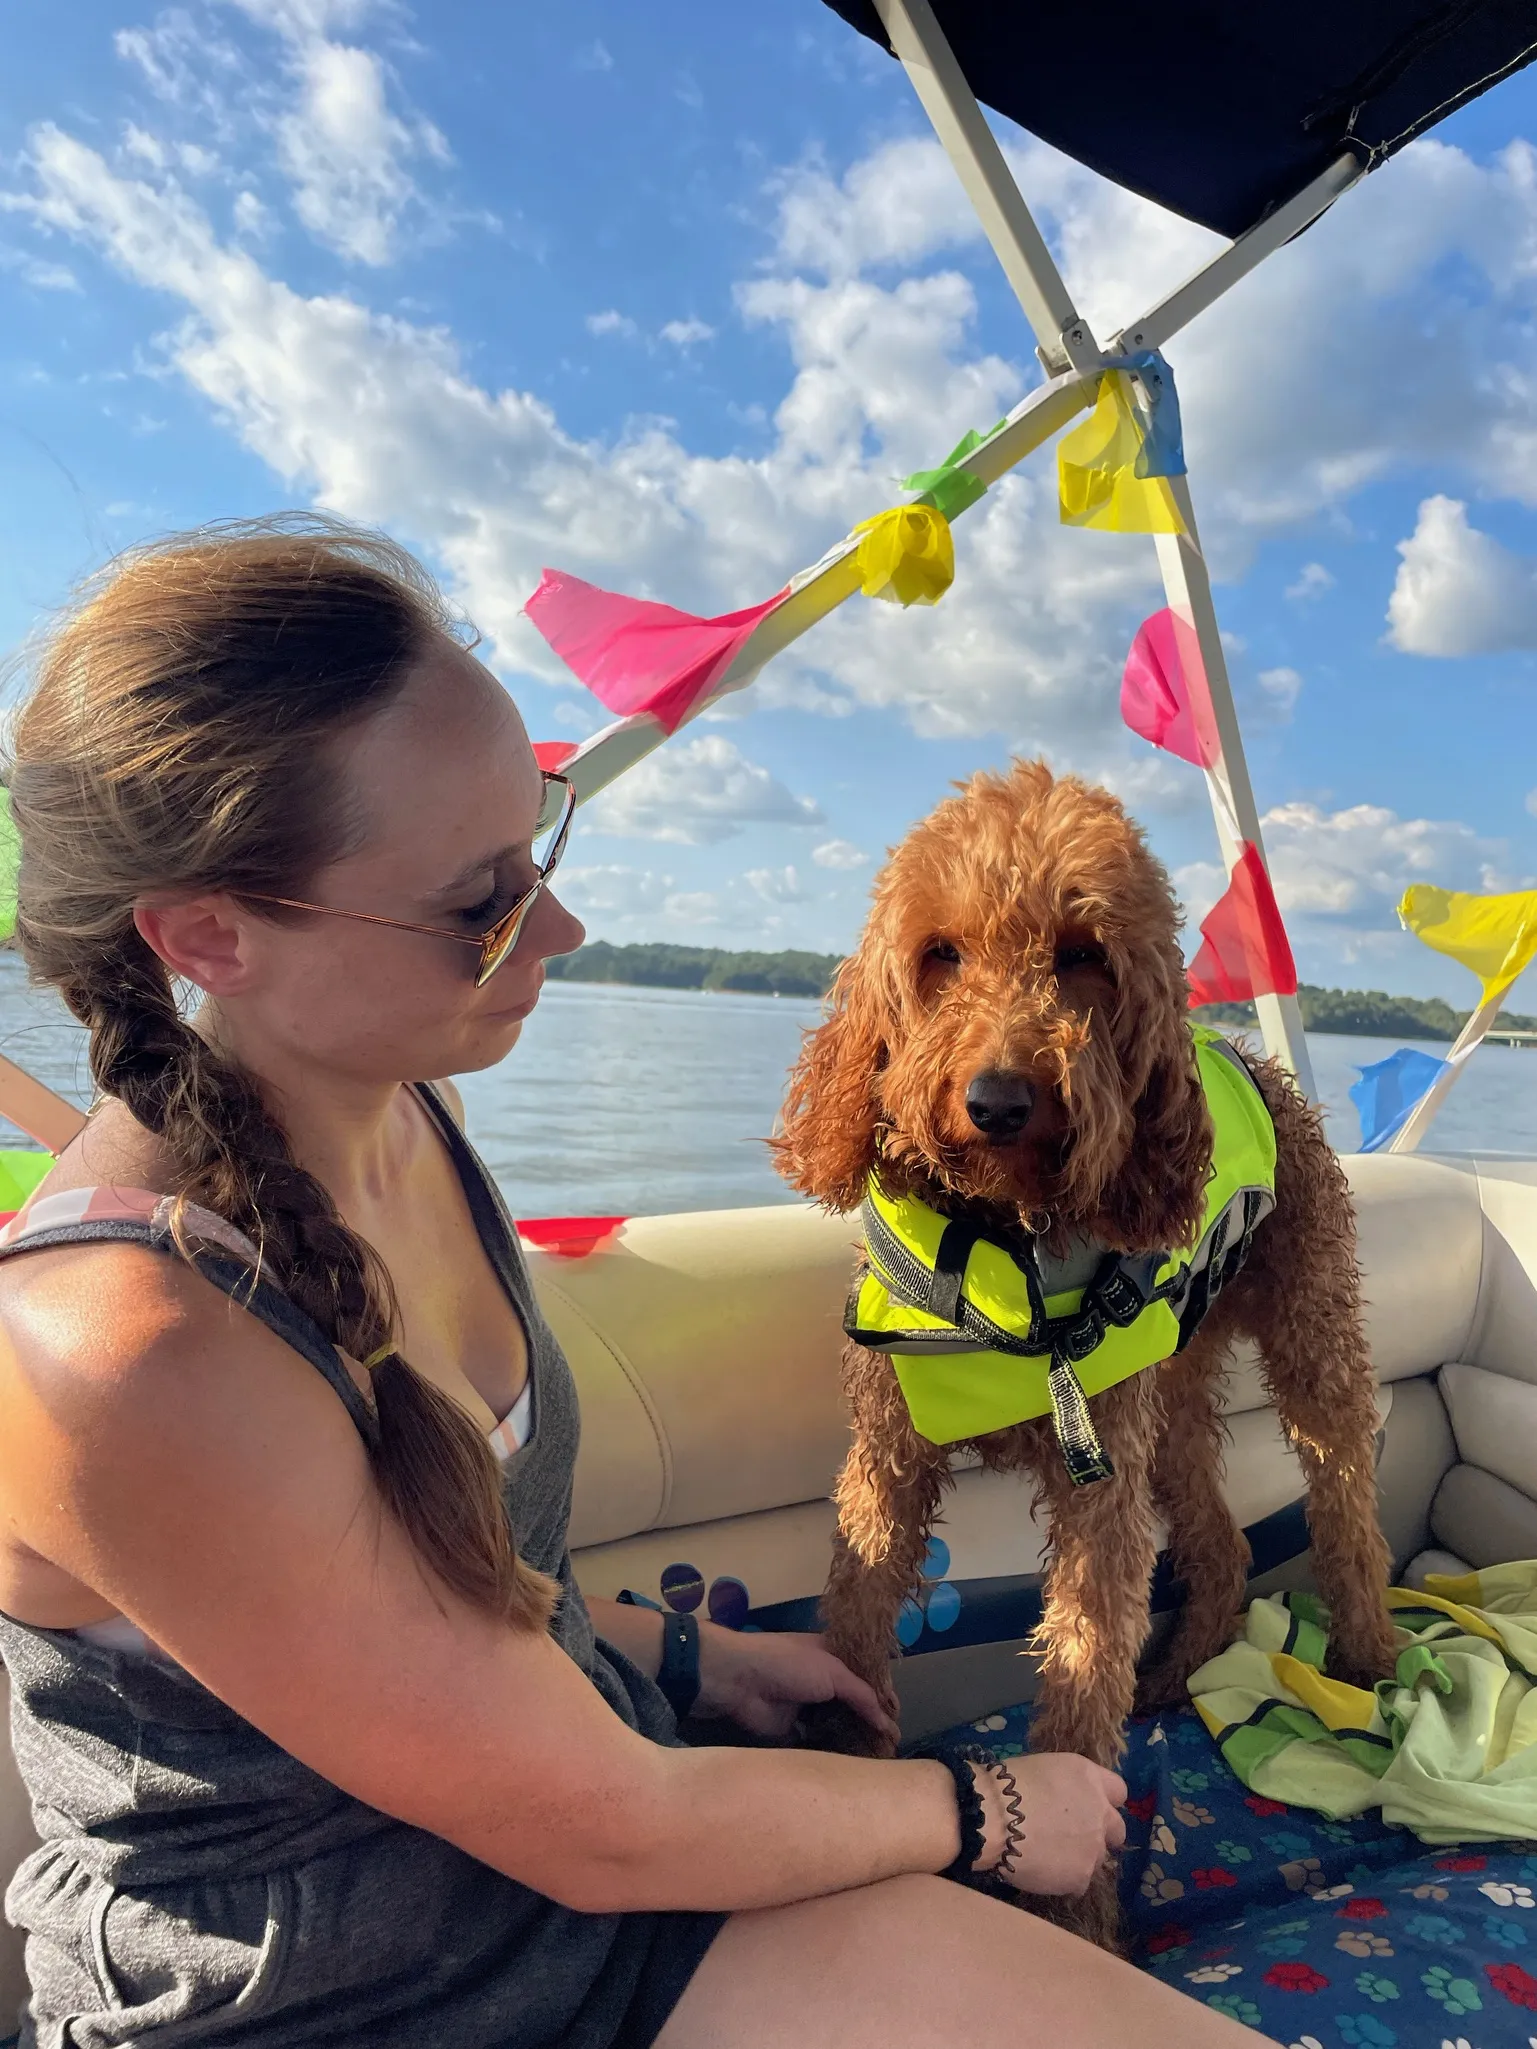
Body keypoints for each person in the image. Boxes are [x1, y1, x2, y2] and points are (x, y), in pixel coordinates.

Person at [0, 517, 1267, 2049]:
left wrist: (685, 1650)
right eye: (477, 903)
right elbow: (607, 1823)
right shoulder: (123, 1348)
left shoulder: (411, 1107)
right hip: (346, 1994)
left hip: (597, 1885)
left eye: (541, 843)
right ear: (210, 933)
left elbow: (411, 1599)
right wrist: (992, 1811)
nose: (561, 929)